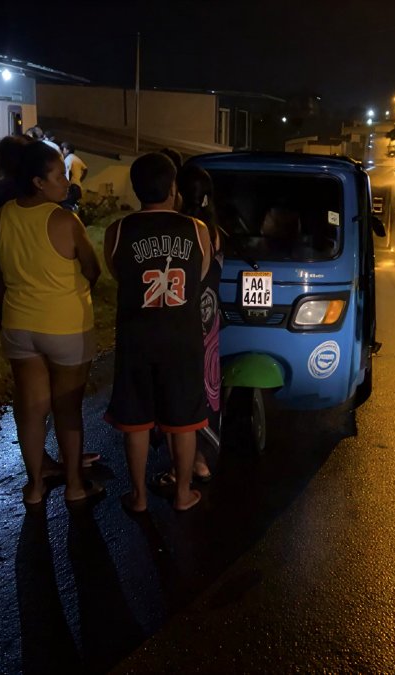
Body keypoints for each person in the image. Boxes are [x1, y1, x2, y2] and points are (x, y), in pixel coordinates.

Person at [0, 141, 103, 506]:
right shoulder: (63, 219)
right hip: (64, 325)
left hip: (18, 323)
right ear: (39, 182)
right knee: (67, 407)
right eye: (60, 176)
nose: (66, 182)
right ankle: (74, 485)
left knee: (30, 407)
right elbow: (92, 269)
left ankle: (35, 487)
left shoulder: (3, 215)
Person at [104, 152, 212, 513]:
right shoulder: (197, 230)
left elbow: (119, 274)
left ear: (136, 189)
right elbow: (199, 276)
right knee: (183, 422)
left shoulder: (118, 231)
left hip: (137, 338)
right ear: (172, 187)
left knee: (135, 422)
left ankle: (138, 497)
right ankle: (183, 494)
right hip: (182, 339)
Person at [151, 165, 221, 490]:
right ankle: (201, 461)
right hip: (210, 321)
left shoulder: (181, 229)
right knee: (204, 390)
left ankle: (180, 470)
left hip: (182, 319)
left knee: (176, 395)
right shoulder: (215, 230)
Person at [60, 141, 87, 210]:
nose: (62, 151)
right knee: (74, 209)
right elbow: (85, 169)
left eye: (63, 149)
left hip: (72, 188)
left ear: (67, 150)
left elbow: (68, 172)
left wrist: (66, 186)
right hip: (78, 188)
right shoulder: (76, 158)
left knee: (65, 207)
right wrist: (79, 180)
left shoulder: (68, 159)